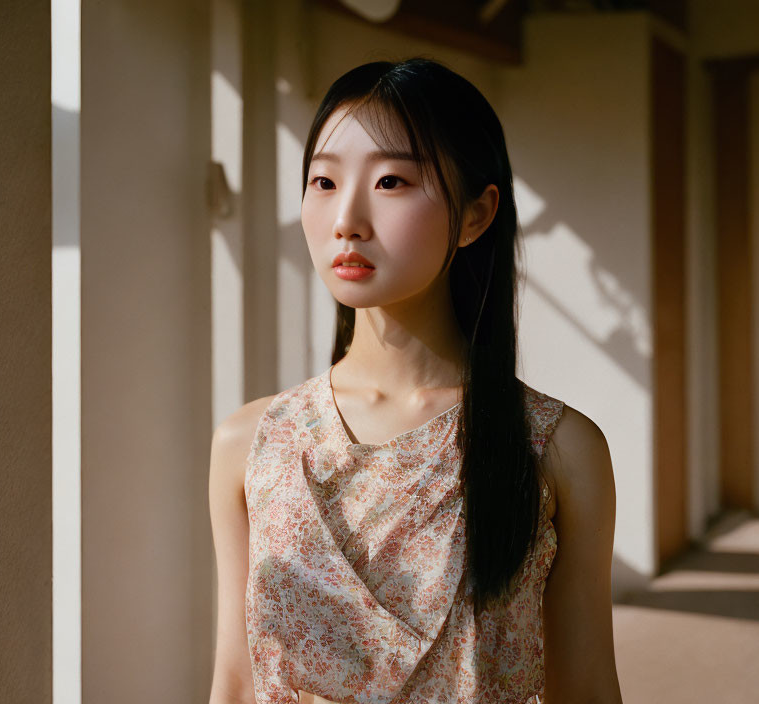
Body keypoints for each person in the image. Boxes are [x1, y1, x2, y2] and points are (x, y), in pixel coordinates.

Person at [209, 57, 623, 704]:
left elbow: (589, 688)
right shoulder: (250, 443)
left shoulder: (559, 449)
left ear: (475, 216)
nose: (346, 217)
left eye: (392, 181)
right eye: (323, 180)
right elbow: (235, 679)